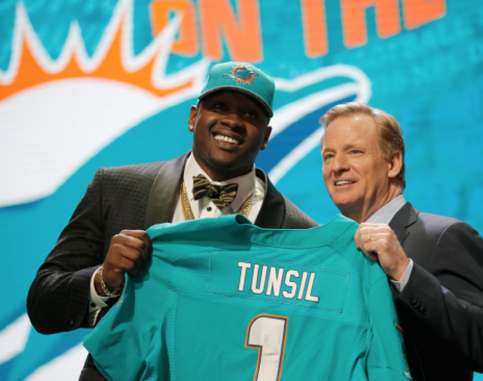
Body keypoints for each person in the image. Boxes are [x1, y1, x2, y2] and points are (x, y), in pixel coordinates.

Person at [27, 61, 317, 381]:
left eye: (251, 115)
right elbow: (43, 305)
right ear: (194, 117)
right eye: (219, 106)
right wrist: (104, 279)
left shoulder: (298, 233)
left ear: (266, 136)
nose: (233, 121)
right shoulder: (116, 189)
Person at [320, 102, 483, 381]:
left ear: (393, 163)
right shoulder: (329, 256)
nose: (337, 166)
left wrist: (404, 271)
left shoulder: (445, 236)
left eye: (354, 152)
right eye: (328, 156)